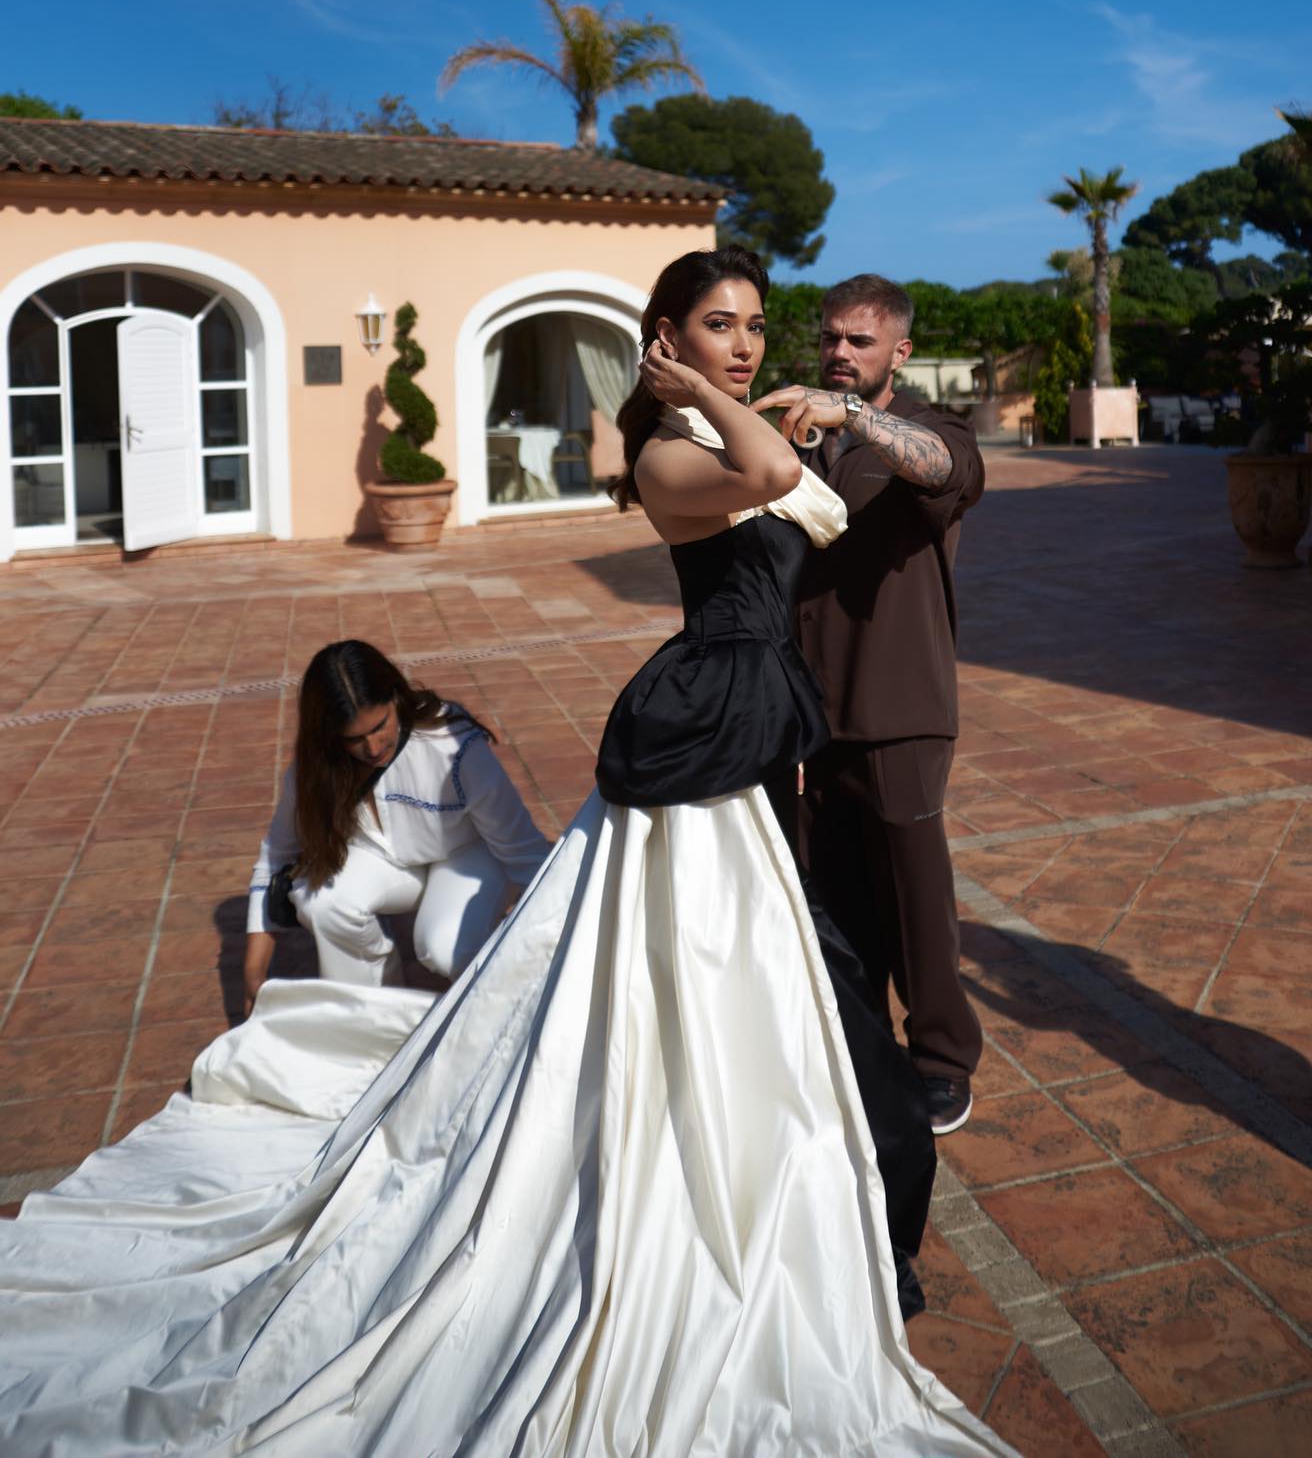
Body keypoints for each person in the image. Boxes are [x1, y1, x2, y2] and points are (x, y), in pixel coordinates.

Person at [0, 249, 1013, 1458]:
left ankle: (835, 1212)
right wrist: (709, 398)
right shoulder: (662, 451)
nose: (746, 345)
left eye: (754, 327)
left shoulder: (725, 416)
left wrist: (784, 400)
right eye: (717, 326)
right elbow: (772, 472)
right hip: (700, 754)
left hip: (747, 752)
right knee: (713, 996)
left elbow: (829, 507)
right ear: (663, 334)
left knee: (801, 1003)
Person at [755, 273, 987, 1137]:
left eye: (860, 340)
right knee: (837, 892)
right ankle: (863, 1043)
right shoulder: (798, 446)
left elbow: (939, 471)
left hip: (899, 705)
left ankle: (942, 1059)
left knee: (915, 893)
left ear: (901, 352)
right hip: (812, 711)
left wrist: (851, 417)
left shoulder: (932, 435)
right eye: (831, 338)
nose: (840, 353)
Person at [243, 641, 552, 1011]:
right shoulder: (317, 766)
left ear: (395, 696)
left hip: (469, 853)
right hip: (386, 861)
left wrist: (565, 933)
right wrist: (253, 971)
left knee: (444, 946)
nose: (373, 748)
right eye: (354, 739)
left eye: (380, 726)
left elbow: (523, 850)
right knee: (321, 902)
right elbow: (276, 854)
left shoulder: (453, 745)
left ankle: (499, 1013)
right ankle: (374, 1016)